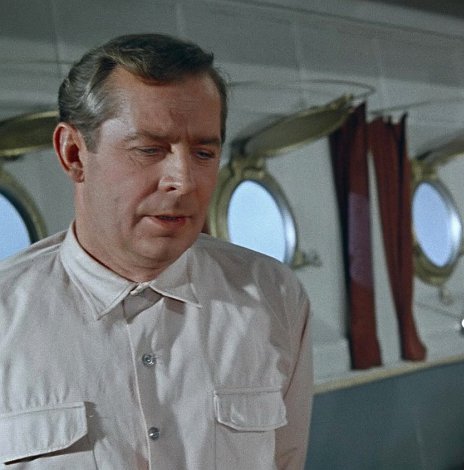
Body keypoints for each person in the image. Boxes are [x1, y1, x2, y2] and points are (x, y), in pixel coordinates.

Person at [0, 34, 311, 469]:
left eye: (204, 152)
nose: (183, 181)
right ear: (74, 154)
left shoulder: (273, 295)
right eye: (149, 149)